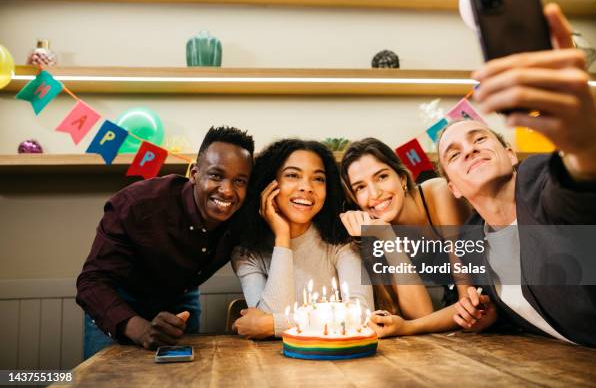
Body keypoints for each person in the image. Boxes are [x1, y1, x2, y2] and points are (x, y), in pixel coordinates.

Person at [377, 4, 596, 349]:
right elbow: (483, 303)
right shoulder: (475, 239)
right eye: (454, 153)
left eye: (480, 138)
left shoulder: (540, 181)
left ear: (511, 154)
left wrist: (588, 150)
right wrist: (488, 314)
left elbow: (583, 198)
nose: (469, 150)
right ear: (453, 187)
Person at [76, 126, 254, 356]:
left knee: (182, 379)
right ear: (194, 173)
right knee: (104, 381)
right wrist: (139, 329)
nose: (228, 191)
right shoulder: (137, 204)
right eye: (216, 176)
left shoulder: (244, 215)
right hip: (119, 298)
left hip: (180, 299)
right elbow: (92, 282)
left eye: (239, 181)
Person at [231, 139, 374, 339]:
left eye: (318, 179)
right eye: (292, 175)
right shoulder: (247, 254)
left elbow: (361, 315)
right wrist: (283, 237)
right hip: (274, 364)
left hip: (339, 362)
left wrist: (273, 324)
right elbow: (268, 318)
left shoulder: (341, 241)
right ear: (268, 183)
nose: (306, 187)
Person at [338, 138, 472, 336]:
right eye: (360, 187)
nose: (374, 193)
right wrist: (386, 237)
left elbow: (469, 303)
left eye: (381, 177)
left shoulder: (440, 195)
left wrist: (407, 328)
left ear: (401, 178)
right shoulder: (377, 230)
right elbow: (421, 313)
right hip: (448, 335)